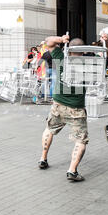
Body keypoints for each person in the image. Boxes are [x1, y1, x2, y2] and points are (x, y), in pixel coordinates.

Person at [38, 34, 89, 182]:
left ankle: (43, 158)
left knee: (50, 129)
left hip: (58, 104)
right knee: (81, 140)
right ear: (84, 50)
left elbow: (48, 41)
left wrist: (60, 39)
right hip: (76, 108)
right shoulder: (88, 63)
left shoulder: (61, 58)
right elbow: (107, 53)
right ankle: (72, 171)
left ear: (70, 49)